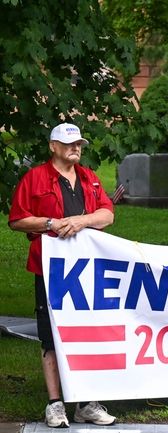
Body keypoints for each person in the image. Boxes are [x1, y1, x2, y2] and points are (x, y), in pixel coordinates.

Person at [8, 123, 117, 427]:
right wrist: (50, 224)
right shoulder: (35, 178)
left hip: (86, 268)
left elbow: (107, 214)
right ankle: (55, 403)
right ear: (53, 147)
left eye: (79, 143)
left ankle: (85, 403)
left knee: (87, 333)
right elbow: (17, 220)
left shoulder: (89, 178)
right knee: (51, 334)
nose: (76, 148)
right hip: (51, 269)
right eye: (69, 143)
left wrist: (82, 221)